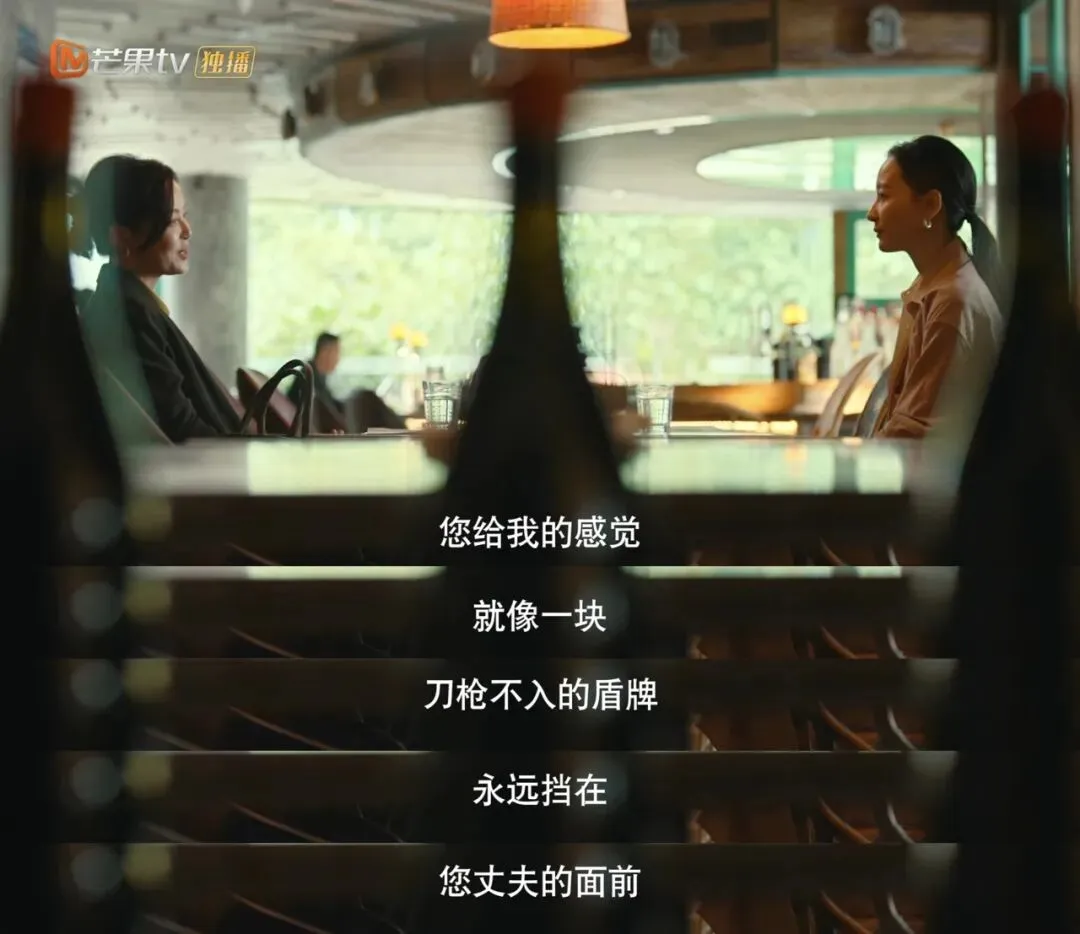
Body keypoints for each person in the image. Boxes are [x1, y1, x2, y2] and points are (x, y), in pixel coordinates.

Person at [76, 155, 242, 441]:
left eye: (184, 215)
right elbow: (183, 430)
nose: (187, 230)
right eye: (172, 220)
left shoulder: (131, 307)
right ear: (121, 237)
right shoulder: (130, 318)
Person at [866, 135, 1005, 439]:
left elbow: (911, 434)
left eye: (884, 196)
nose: (871, 212)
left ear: (930, 205)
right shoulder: (935, 287)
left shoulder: (952, 301)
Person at [288, 331, 343, 414]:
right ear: (325, 352)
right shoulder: (308, 375)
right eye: (337, 352)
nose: (338, 359)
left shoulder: (318, 375)